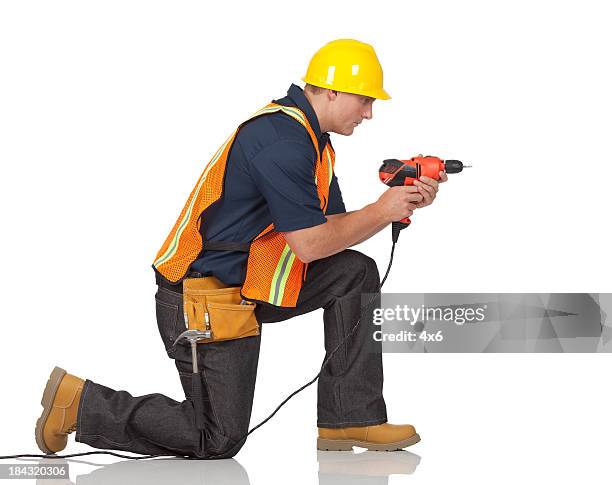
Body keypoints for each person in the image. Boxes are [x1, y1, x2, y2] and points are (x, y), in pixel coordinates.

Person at [35, 39, 447, 458]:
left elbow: (331, 231)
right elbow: (309, 246)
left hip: (248, 282)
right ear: (332, 90)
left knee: (353, 271)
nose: (369, 113)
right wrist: (381, 211)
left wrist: (393, 209)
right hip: (201, 297)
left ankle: (351, 419)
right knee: (216, 439)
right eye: (364, 100)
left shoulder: (313, 142)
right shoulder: (282, 140)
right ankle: (79, 402)